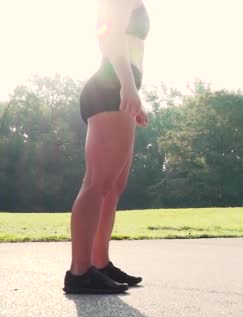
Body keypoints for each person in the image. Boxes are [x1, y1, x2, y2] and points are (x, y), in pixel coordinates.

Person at [64, 0, 150, 294]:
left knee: (114, 187)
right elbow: (110, 37)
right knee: (97, 183)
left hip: (121, 86)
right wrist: (127, 85)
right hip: (110, 86)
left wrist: (134, 93)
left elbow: (133, 47)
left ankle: (100, 264)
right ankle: (79, 272)